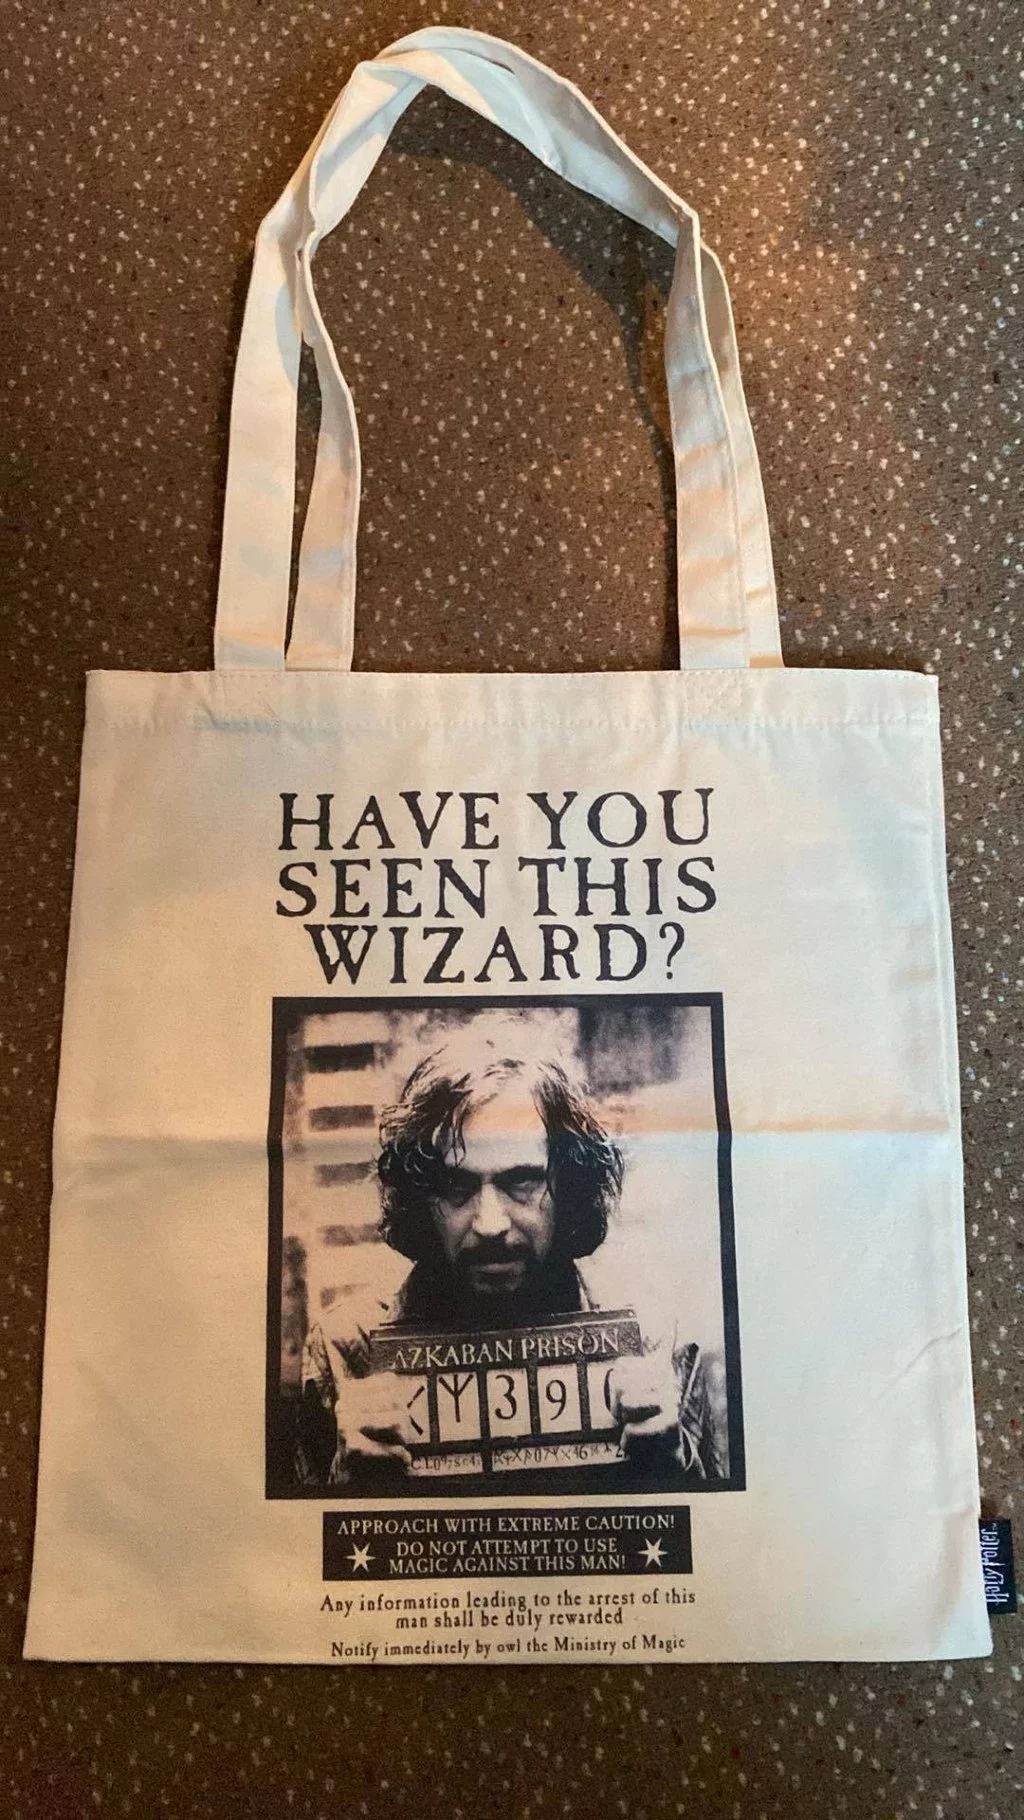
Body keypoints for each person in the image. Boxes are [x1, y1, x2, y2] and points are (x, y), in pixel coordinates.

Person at [297, 1025, 724, 1488]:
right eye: (456, 1186)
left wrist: (672, 1468)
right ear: (421, 1197)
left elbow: (717, 1525)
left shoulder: (654, 1344)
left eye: (521, 1181)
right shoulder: (346, 1351)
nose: (489, 1224)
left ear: (570, 1186)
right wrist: (346, 1485)